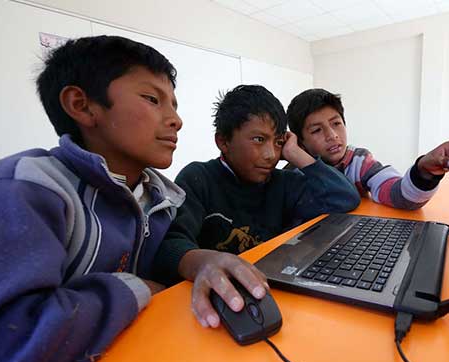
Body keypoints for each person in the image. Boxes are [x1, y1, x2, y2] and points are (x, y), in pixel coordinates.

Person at [0, 35, 185, 362]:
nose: (176, 120)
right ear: (82, 106)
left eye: (174, 105)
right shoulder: (26, 190)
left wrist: (195, 259)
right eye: (152, 99)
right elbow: (10, 350)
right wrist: (136, 288)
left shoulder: (158, 199)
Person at [154, 84, 360, 329]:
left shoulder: (283, 182)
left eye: (278, 142)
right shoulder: (199, 178)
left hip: (271, 297)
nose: (271, 154)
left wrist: (296, 154)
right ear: (223, 141)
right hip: (214, 305)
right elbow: (171, 244)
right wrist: (202, 262)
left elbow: (345, 198)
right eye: (259, 140)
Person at [286, 88, 449, 210]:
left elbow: (399, 195)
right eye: (317, 130)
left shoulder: (359, 162)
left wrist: (425, 171)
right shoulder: (295, 174)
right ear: (300, 142)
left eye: (336, 123)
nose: (332, 135)